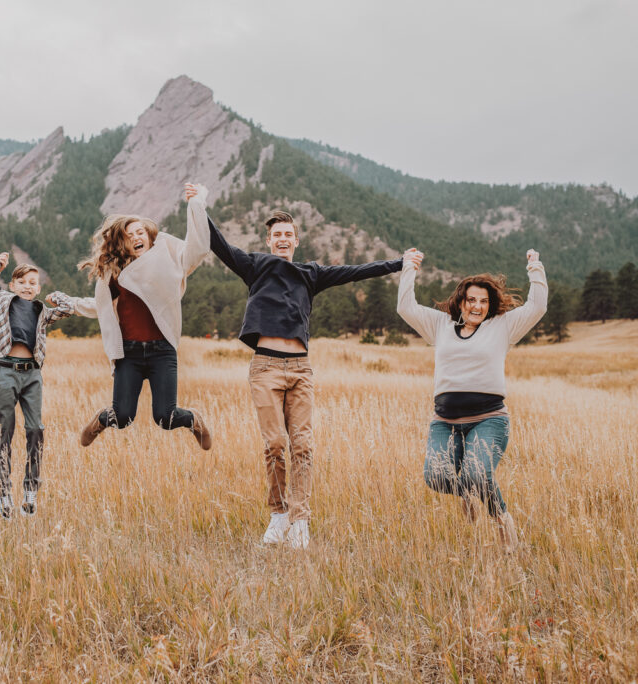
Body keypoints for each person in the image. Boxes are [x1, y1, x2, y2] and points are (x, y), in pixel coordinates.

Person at [208, 210, 404, 548]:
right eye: (277, 235)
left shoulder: (310, 273)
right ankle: (278, 515)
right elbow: (219, 245)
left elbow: (357, 271)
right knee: (274, 444)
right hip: (265, 368)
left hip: (300, 369)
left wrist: (400, 263)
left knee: (302, 446)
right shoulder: (256, 265)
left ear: (296, 241)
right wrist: (198, 205)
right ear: (269, 241)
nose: (283, 239)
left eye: (288, 234)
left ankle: (300, 521)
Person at [397, 247, 546, 552]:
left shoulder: (503, 326)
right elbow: (405, 307)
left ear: (490, 305)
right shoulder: (440, 325)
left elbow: (537, 307)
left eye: (483, 301)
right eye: (471, 300)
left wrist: (535, 268)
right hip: (445, 422)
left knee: (478, 473)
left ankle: (502, 520)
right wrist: (409, 267)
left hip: (489, 420)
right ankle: (467, 493)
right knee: (435, 477)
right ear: (461, 301)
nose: (477, 306)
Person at [70, 182, 213, 450]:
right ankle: (101, 420)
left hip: (162, 351)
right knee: (122, 417)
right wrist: (71, 304)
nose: (137, 237)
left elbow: (198, 248)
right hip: (129, 353)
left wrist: (196, 203)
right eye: (129, 235)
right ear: (121, 242)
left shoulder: (168, 260)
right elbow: (102, 307)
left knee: (166, 417)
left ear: (149, 236)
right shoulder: (114, 274)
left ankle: (194, 420)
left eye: (140, 232)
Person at [0, 252, 75, 519]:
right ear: (12, 285)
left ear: (38, 288)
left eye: (33, 283)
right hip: (6, 370)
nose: (27, 287)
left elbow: (67, 309)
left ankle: (30, 490)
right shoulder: (1, 300)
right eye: (22, 282)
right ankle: (4, 493)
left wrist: (56, 297)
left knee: (35, 430)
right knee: (4, 431)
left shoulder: (42, 311)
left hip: (32, 375)